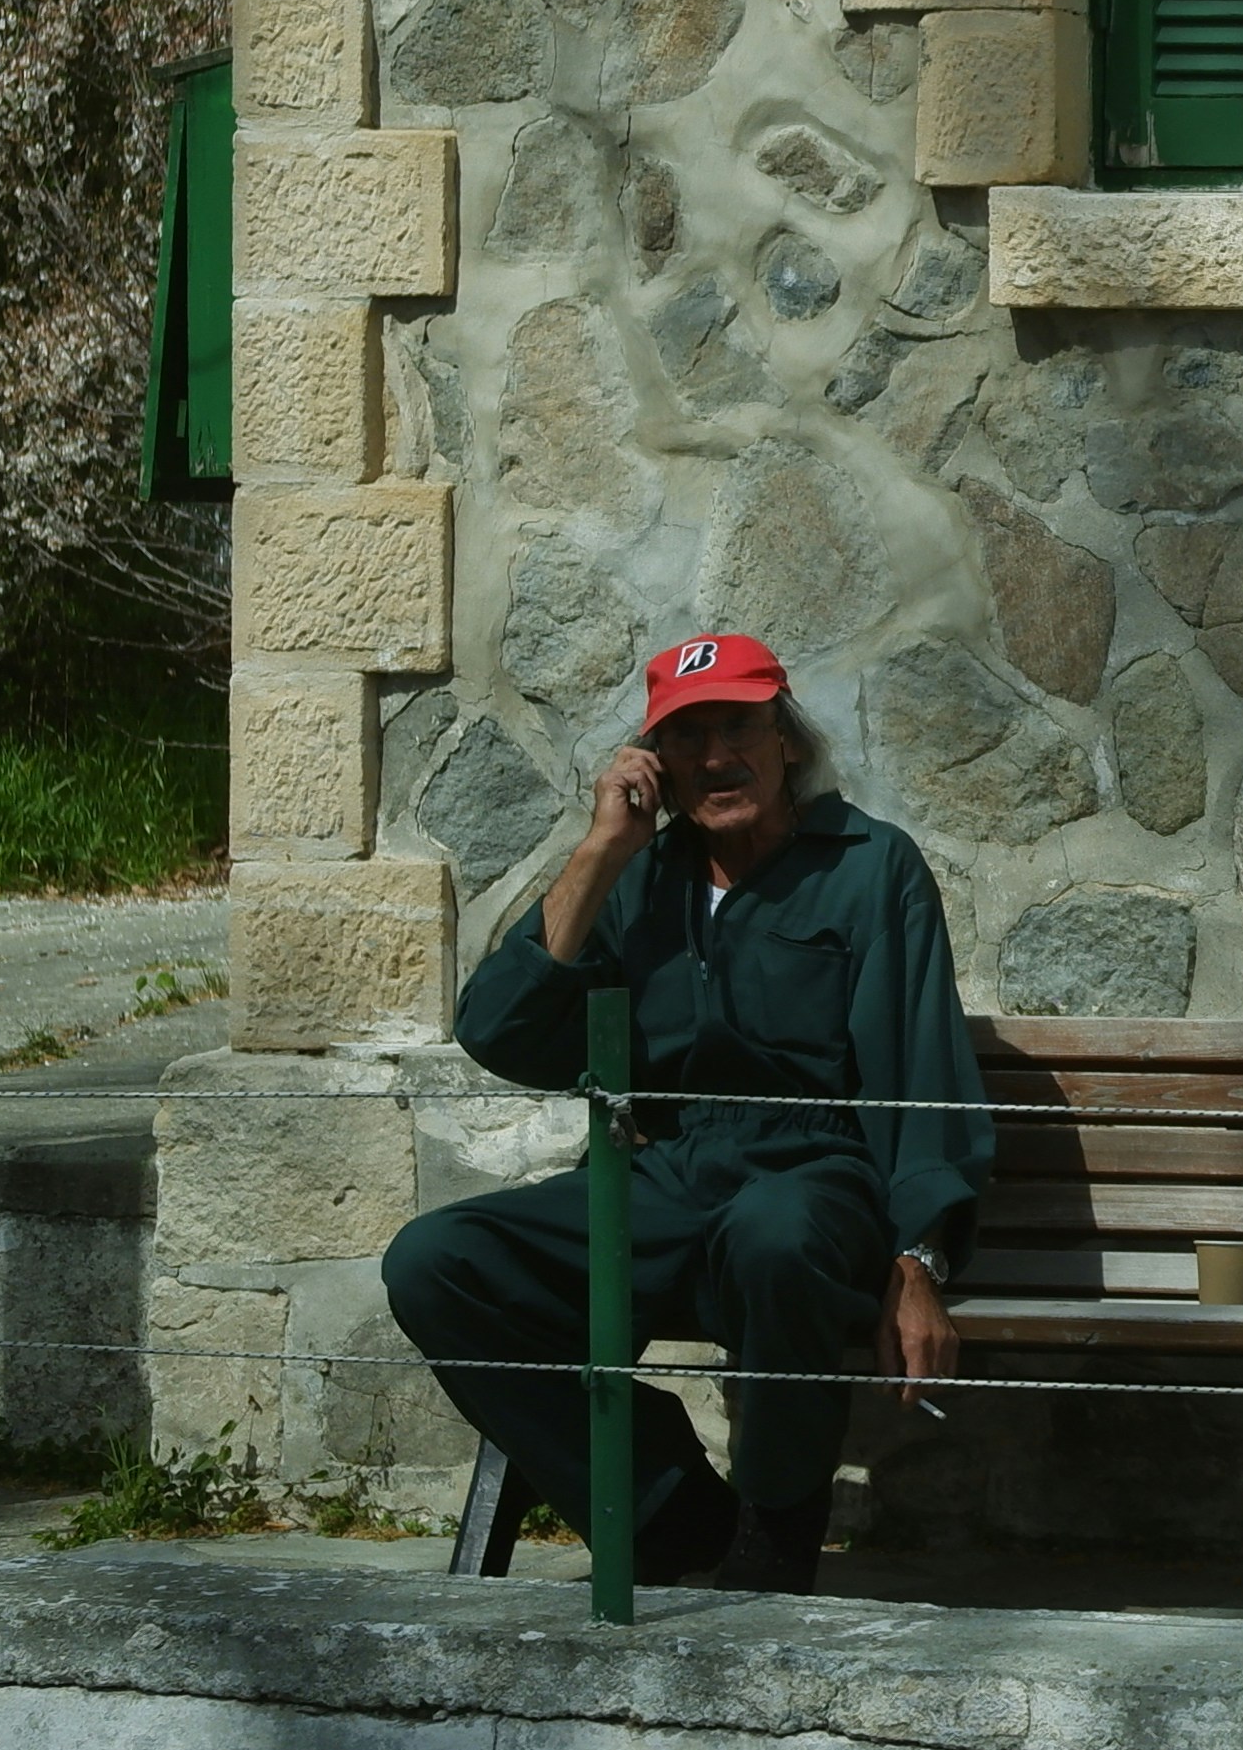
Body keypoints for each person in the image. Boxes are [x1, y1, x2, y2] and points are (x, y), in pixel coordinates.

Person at [378, 632, 995, 1593]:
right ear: (656, 763)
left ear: (786, 738)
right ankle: (667, 1505)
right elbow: (498, 1029)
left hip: (814, 1176)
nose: (717, 757)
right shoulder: (643, 878)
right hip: (669, 1177)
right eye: (687, 737)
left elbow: (923, 1072)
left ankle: (778, 1526)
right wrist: (601, 849)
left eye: (739, 727)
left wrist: (918, 1258)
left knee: (773, 1231)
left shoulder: (872, 867)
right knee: (435, 1263)